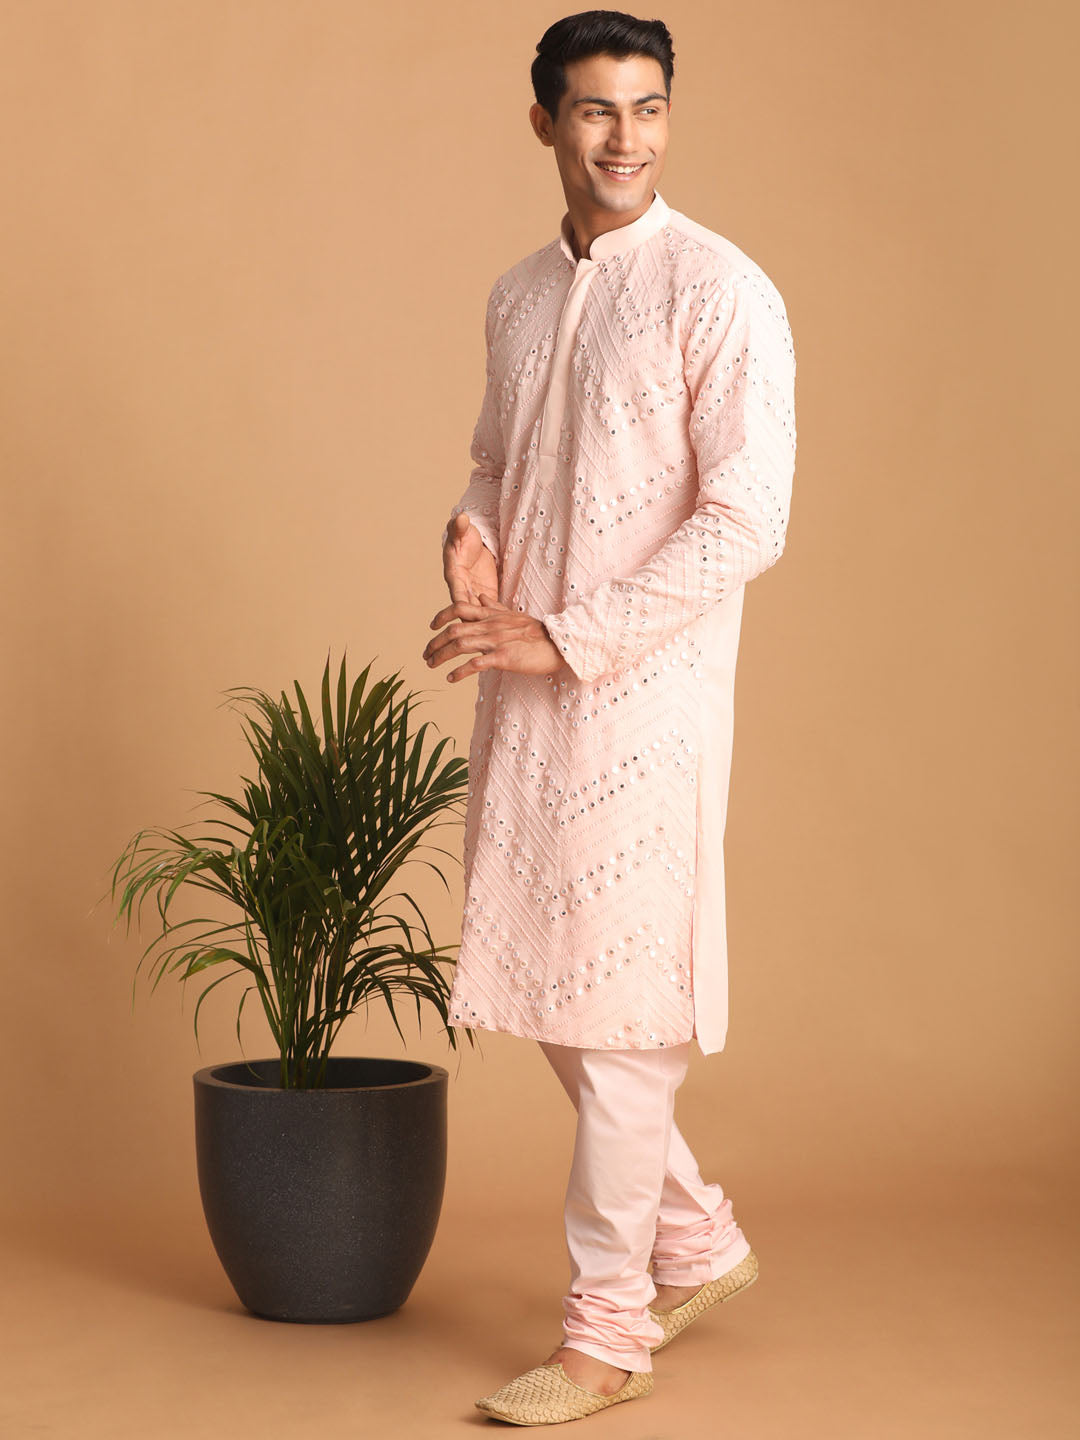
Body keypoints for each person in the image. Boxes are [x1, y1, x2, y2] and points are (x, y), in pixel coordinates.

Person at [421, 9, 796, 1426]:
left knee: (626, 1020)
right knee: (556, 998)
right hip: (524, 697)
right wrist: (471, 538)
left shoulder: (721, 290)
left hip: (642, 700)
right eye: (595, 109)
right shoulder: (519, 295)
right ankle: (694, 1239)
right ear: (546, 123)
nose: (626, 137)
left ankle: (607, 1332)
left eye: (648, 107)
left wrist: (570, 635)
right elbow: (495, 460)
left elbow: (747, 518)